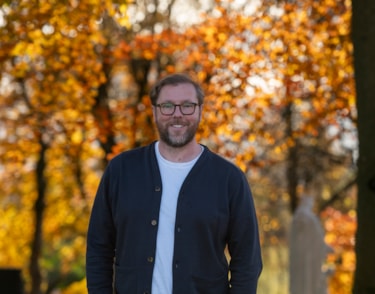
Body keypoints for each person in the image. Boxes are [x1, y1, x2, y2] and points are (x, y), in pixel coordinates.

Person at [86, 73, 263, 294]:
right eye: (167, 106)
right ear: (154, 112)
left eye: (187, 106)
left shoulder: (229, 179)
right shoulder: (121, 171)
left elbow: (247, 261)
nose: (177, 114)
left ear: (200, 111)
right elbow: (98, 248)